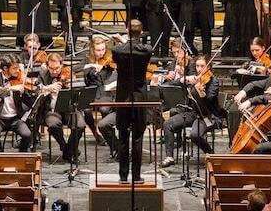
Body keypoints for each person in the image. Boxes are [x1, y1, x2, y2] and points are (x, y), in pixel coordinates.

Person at [112, 19, 153, 183]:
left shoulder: (117, 50)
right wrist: (126, 41)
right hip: (140, 98)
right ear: (141, 33)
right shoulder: (146, 50)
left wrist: (123, 41)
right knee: (137, 137)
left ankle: (123, 176)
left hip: (123, 98)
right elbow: (140, 49)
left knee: (123, 137)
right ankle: (136, 176)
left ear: (127, 31)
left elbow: (124, 51)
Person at [160, 55, 219, 166]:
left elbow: (209, 102)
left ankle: (210, 153)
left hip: (207, 115)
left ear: (208, 67)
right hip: (193, 113)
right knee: (167, 124)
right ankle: (169, 156)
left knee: (195, 135)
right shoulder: (194, 79)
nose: (199, 69)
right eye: (197, 66)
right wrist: (183, 79)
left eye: (202, 66)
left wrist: (201, 93)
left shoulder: (213, 81)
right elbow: (170, 85)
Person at [37, 53, 84, 163]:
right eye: (51, 68)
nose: (54, 71)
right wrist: (48, 88)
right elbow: (37, 90)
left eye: (57, 68)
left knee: (80, 125)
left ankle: (69, 149)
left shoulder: (68, 73)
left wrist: (72, 86)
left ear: (61, 65)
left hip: (69, 109)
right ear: (47, 66)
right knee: (53, 124)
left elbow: (78, 92)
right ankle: (65, 147)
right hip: (52, 110)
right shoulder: (43, 75)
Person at [0, 57, 35, 152]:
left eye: (18, 68)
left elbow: (29, 103)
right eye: (14, 68)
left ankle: (22, 155)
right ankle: (1, 156)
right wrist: (9, 89)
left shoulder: (19, 80)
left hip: (15, 118)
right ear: (5, 68)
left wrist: (24, 92)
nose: (18, 71)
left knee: (27, 134)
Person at [82, 35, 120, 159]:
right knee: (86, 110)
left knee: (104, 109)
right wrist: (90, 66)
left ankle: (111, 140)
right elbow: (76, 68)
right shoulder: (87, 59)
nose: (101, 52)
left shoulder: (109, 59)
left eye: (103, 49)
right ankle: (95, 134)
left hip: (105, 92)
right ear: (93, 50)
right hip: (92, 92)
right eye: (98, 50)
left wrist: (105, 66)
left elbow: (117, 67)